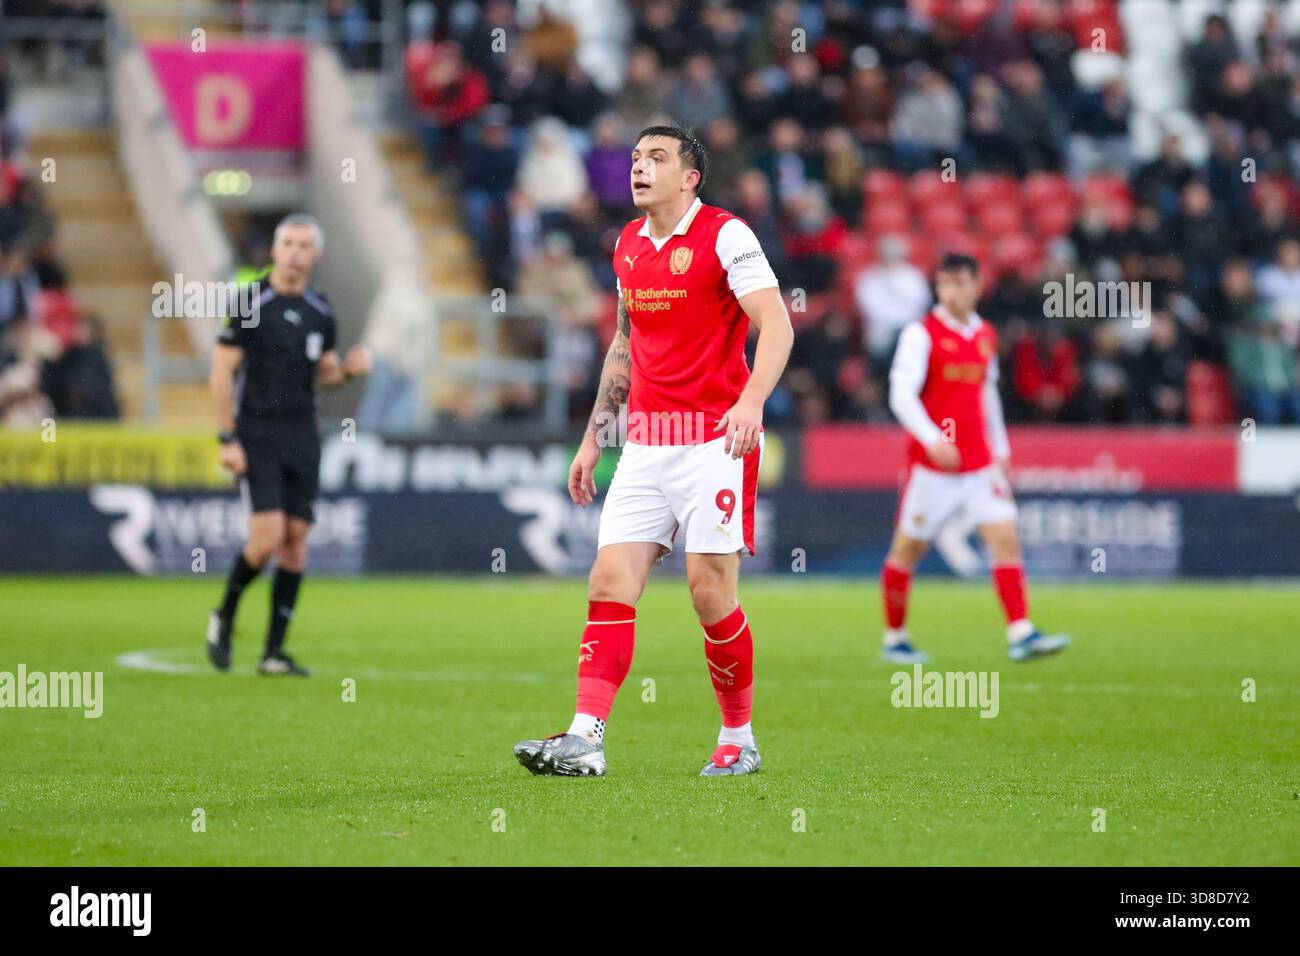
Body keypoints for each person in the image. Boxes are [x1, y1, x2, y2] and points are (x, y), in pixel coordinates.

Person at [514, 126, 793, 778]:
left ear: (689, 177)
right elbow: (622, 345)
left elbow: (775, 322)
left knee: (708, 594)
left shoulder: (726, 235)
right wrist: (593, 438)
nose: (641, 168)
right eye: (637, 158)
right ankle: (585, 737)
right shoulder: (628, 246)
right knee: (609, 582)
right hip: (643, 444)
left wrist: (750, 403)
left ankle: (738, 737)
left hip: (713, 443)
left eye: (657, 159)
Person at [880, 254, 1069, 664]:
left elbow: (987, 394)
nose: (952, 291)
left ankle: (1020, 632)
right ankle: (895, 637)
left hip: (979, 463)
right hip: (933, 468)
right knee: (908, 549)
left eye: (960, 283)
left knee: (1005, 536)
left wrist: (1001, 449)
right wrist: (931, 438)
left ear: (977, 286)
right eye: (944, 284)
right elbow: (900, 393)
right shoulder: (920, 333)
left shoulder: (985, 333)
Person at [206, 214, 371, 676]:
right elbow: (221, 374)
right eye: (288, 243)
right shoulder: (251, 302)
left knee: (296, 543)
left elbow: (327, 375)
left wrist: (350, 371)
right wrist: (226, 437)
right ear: (275, 250)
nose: (295, 252)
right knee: (268, 537)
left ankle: (273, 653)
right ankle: (224, 613)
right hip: (256, 432)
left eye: (304, 245)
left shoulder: (321, 309)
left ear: (314, 255)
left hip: (302, 433)